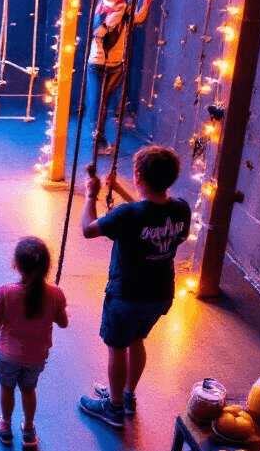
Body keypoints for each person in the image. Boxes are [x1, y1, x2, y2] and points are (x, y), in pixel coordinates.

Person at [78, 146, 191, 429]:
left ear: (138, 177)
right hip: (160, 295)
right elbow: (150, 212)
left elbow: (88, 229)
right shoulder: (180, 209)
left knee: (117, 347)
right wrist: (120, 188)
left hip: (127, 296)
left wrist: (90, 195)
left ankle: (113, 408)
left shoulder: (127, 215)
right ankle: (127, 396)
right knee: (136, 341)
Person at [0, 237, 69, 451]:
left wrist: (5, 317)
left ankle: (5, 426)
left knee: (7, 388)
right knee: (29, 390)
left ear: (16, 264)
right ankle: (29, 430)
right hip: (36, 357)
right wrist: (57, 308)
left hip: (6, 355)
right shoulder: (55, 294)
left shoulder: (6, 291)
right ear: (47, 267)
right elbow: (63, 322)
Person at [86, 0, 153, 155]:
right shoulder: (102, 8)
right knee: (97, 102)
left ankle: (98, 137)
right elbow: (98, 33)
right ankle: (97, 137)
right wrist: (111, 20)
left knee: (104, 102)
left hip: (116, 63)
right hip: (97, 62)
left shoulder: (125, 9)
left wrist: (146, 3)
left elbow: (138, 19)